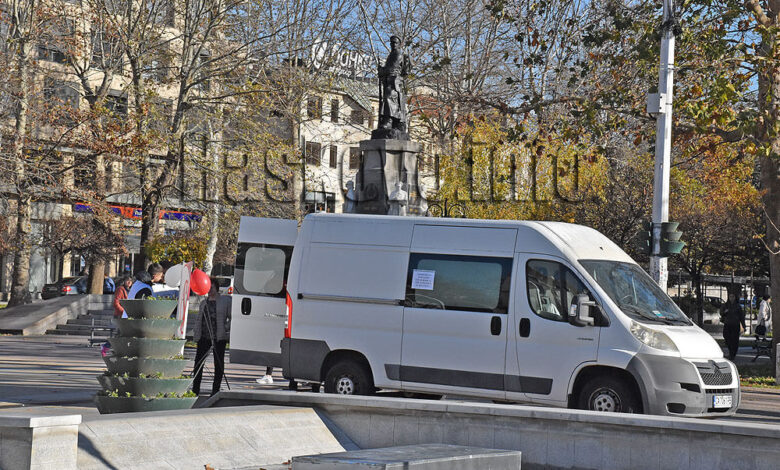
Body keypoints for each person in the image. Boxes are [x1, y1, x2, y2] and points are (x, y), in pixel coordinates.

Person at [192, 277, 231, 396]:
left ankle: (215, 389)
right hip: (204, 336)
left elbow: (232, 318)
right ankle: (195, 389)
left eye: (211, 287)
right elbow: (199, 319)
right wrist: (196, 332)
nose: (209, 290)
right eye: (208, 287)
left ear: (216, 288)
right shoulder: (204, 302)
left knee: (218, 364)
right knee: (198, 363)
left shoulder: (225, 301)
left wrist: (225, 328)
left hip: (218, 337)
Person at [721, 291, 745, 361]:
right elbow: (721, 313)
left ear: (735, 297)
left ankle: (733, 354)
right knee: (727, 337)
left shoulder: (738, 306)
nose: (731, 298)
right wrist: (724, 312)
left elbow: (741, 316)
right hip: (727, 324)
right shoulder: (726, 305)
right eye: (730, 296)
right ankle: (730, 351)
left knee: (735, 340)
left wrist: (743, 326)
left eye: (733, 297)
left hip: (735, 324)